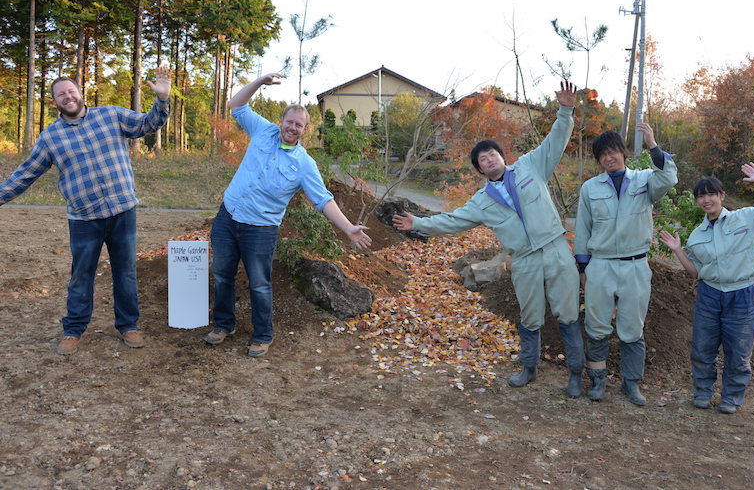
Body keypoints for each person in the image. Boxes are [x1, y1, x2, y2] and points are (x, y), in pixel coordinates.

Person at [393, 82, 586, 398]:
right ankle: (529, 367)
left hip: (554, 249)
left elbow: (556, 142)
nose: (489, 159)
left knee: (567, 313)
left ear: (501, 156)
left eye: (492, 153)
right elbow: (452, 221)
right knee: (530, 315)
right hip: (523, 259)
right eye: (482, 159)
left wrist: (566, 110)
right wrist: (419, 223)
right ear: (480, 168)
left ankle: (576, 374)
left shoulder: (530, 166)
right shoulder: (482, 201)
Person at [0, 68, 171, 355]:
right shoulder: (50, 137)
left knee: (126, 272)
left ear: (80, 93)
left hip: (122, 211)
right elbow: (25, 174)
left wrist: (162, 99)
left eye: (71, 91)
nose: (68, 97)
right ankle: (74, 329)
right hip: (84, 218)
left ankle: (128, 326)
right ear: (54, 102)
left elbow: (147, 124)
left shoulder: (111, 115)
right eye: (60, 95)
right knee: (81, 275)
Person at [204, 72, 372, 358]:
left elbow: (323, 199)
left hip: (260, 228)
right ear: (281, 121)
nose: (292, 127)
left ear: (304, 130)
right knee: (222, 274)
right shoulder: (262, 131)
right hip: (228, 216)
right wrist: (258, 83)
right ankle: (224, 324)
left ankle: (262, 335)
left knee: (258, 283)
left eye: (299, 125)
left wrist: (347, 228)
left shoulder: (304, 164)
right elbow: (235, 105)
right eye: (289, 122)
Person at [659, 163, 754, 414]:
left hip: (742, 294)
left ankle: (731, 397)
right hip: (710, 294)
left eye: (711, 194)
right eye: (701, 196)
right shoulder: (697, 235)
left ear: (721, 196)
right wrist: (677, 250)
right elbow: (696, 272)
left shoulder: (746, 218)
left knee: (739, 351)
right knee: (702, 347)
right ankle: (703, 392)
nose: (706, 199)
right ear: (697, 200)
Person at [573, 125, 678, 405]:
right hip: (601, 265)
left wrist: (653, 145)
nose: (609, 158)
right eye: (603, 155)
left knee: (632, 327)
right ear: (599, 160)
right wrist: (583, 269)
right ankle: (597, 382)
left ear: (624, 153)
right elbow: (583, 229)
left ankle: (631, 384)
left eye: (613, 152)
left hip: (635, 265)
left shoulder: (645, 181)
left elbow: (669, 177)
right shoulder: (590, 188)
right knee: (596, 326)